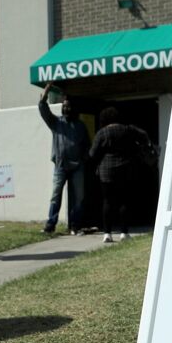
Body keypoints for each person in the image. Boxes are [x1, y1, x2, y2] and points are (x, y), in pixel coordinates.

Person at [89, 107, 153, 243]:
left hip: (106, 172)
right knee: (124, 201)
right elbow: (144, 135)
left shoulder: (102, 133)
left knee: (108, 201)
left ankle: (107, 233)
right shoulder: (128, 129)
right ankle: (124, 232)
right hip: (126, 169)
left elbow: (92, 154)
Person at [38, 81, 89, 234]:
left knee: (78, 197)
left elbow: (87, 144)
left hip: (77, 166)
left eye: (68, 106)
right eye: (64, 106)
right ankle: (50, 224)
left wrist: (83, 159)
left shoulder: (80, 125)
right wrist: (45, 94)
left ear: (73, 108)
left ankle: (75, 225)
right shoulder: (56, 122)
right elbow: (43, 110)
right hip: (60, 165)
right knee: (55, 195)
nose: (66, 108)